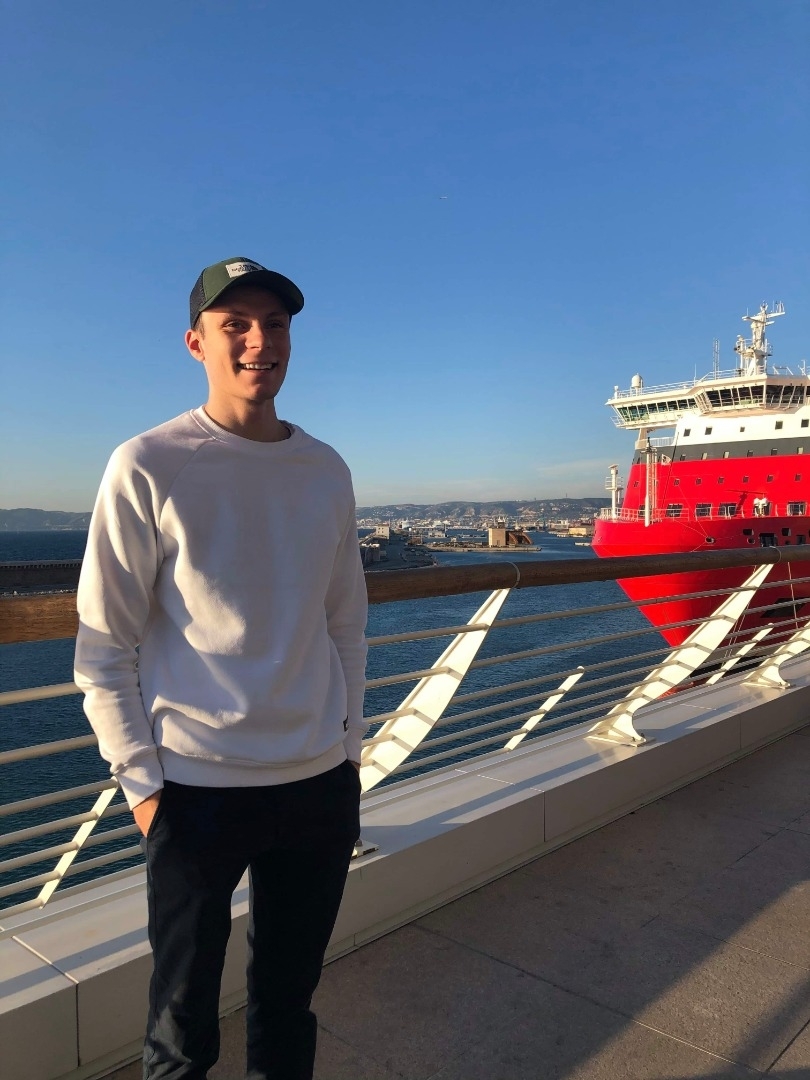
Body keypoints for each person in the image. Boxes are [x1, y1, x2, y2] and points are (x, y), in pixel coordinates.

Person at [74, 256, 368, 1079]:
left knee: (288, 1006)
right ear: (195, 342)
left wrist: (348, 751)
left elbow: (344, 623)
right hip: (194, 791)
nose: (258, 342)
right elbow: (103, 648)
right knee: (179, 1031)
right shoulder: (148, 464)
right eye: (234, 324)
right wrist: (145, 789)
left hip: (316, 783)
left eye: (274, 324)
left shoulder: (327, 470)